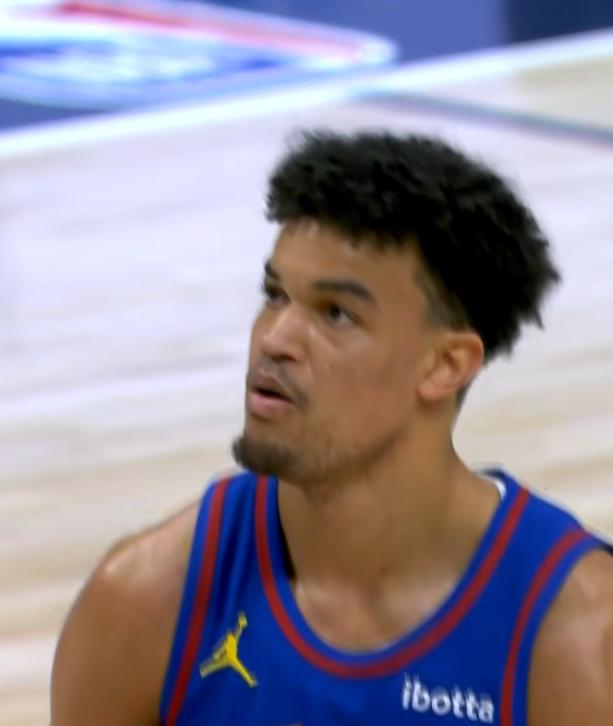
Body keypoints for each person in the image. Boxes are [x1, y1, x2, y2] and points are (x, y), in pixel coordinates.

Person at [50, 131, 613, 725]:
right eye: (275, 295)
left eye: (336, 314)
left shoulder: (577, 637)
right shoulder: (143, 601)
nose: (275, 339)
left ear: (445, 365)